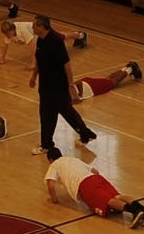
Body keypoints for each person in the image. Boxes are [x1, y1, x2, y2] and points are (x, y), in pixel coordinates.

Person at [28, 15, 95, 154]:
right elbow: (39, 61)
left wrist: (70, 84)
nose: (32, 27)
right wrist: (34, 76)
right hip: (45, 86)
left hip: (58, 85)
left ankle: (83, 133)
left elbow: (67, 65)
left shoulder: (56, 41)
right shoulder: (40, 40)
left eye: (34, 25)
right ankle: (49, 144)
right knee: (49, 114)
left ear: (42, 27)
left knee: (63, 112)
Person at [44, 150, 144, 228]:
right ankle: (142, 208)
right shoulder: (72, 159)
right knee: (118, 196)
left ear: (50, 160)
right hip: (96, 178)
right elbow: (95, 171)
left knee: (107, 201)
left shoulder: (55, 164)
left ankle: (135, 211)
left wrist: (54, 200)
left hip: (85, 184)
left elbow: (51, 185)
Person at [0, 16, 86, 65]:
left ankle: (81, 35)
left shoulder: (22, 30)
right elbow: (5, 46)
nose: (6, 36)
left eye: (7, 33)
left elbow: (32, 47)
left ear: (12, 30)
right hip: (37, 36)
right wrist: (2, 59)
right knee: (60, 36)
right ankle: (78, 35)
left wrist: (33, 63)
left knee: (61, 37)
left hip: (41, 31)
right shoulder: (9, 34)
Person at [72, 61, 143, 102]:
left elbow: (78, 82)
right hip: (87, 84)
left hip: (89, 88)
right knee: (108, 79)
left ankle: (131, 68)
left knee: (112, 83)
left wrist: (80, 95)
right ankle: (126, 68)